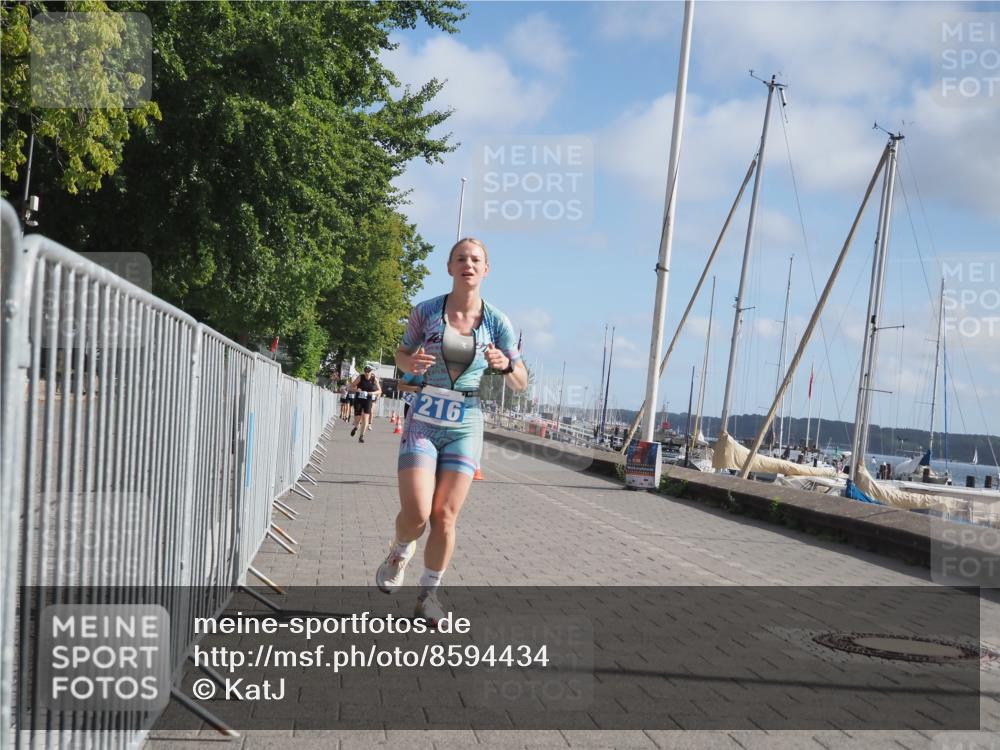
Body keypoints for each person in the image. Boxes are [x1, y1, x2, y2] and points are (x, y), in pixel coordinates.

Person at [375, 237, 528, 624]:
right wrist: (413, 361)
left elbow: (521, 381)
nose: (468, 264)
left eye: (476, 259)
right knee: (417, 514)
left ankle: (428, 595)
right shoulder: (426, 312)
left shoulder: (497, 322)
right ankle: (399, 549)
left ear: (486, 270)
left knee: (444, 516)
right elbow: (400, 355)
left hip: (466, 419)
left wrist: (505, 365)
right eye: (461, 258)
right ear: (449, 267)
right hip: (424, 416)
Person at [350, 366, 381, 443]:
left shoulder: (374, 379)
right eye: (365, 371)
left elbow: (380, 391)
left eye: (368, 371)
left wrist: (372, 393)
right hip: (359, 399)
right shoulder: (360, 377)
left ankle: (361, 436)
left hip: (368, 399)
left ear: (371, 371)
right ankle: (356, 427)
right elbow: (351, 386)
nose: (367, 373)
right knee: (357, 418)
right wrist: (357, 390)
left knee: (365, 417)